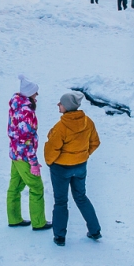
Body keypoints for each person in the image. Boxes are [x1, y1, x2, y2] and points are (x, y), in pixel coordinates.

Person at [43, 92, 101, 246]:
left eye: (60, 103)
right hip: (80, 166)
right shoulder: (88, 122)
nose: (58, 105)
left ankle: (60, 236)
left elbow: (51, 150)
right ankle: (95, 230)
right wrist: (83, 155)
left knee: (61, 202)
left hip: (61, 168)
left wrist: (50, 162)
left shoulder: (60, 127)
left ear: (67, 107)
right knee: (81, 197)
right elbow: (95, 142)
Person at [6, 75, 50, 231]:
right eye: (35, 92)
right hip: (24, 155)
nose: (37, 95)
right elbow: (26, 139)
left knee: (15, 187)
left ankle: (14, 218)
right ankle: (39, 222)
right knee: (36, 187)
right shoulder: (26, 111)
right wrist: (33, 161)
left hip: (15, 153)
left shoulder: (16, 105)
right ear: (29, 93)